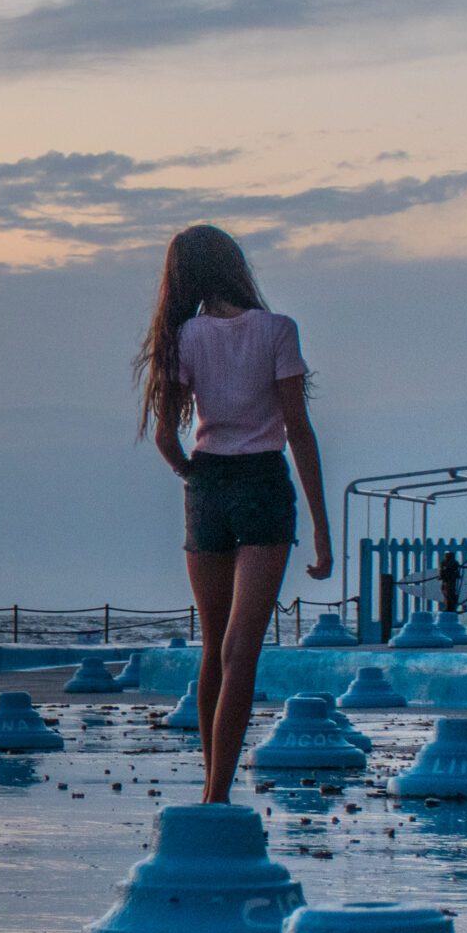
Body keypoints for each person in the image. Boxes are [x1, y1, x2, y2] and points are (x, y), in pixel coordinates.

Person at [134, 225, 332, 803]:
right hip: (264, 485)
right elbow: (299, 430)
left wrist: (190, 475)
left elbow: (167, 438)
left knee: (214, 645)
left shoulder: (183, 338)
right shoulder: (277, 330)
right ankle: (217, 793)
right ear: (234, 266)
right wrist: (321, 526)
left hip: (208, 484)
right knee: (241, 648)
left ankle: (210, 789)